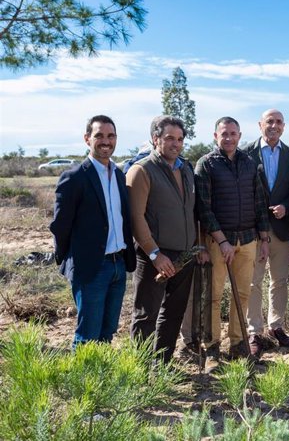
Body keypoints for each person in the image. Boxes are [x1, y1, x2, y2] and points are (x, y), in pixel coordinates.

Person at [50, 115, 136, 348]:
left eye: (110, 136)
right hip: (91, 269)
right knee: (87, 336)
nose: (105, 141)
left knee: (107, 333)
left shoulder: (118, 175)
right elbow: (60, 225)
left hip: (118, 265)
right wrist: (70, 261)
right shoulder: (75, 177)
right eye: (99, 135)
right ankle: (82, 383)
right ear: (87, 139)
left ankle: (102, 382)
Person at [190, 116, 270, 362]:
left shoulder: (250, 163)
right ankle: (212, 347)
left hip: (247, 239)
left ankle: (238, 345)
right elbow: (204, 208)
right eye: (224, 134)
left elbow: (260, 203)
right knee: (212, 296)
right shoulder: (205, 164)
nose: (229, 138)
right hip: (217, 242)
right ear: (216, 136)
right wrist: (222, 241)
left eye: (233, 133)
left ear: (239, 135)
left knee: (242, 295)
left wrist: (264, 238)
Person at [127, 115, 199, 363]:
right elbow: (136, 217)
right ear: (155, 139)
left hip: (184, 255)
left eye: (180, 139)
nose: (175, 144)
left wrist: (195, 247)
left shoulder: (186, 169)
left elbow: (192, 210)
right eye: (169, 138)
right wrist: (155, 254)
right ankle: (140, 369)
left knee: (173, 313)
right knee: (146, 315)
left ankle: (163, 365)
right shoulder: (142, 171)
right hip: (154, 258)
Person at [243, 109, 289, 353]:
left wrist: (286, 206)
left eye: (278, 122)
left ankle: (276, 326)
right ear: (260, 125)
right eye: (269, 122)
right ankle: (254, 331)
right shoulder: (246, 153)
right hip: (254, 229)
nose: (274, 126)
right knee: (253, 282)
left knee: (279, 280)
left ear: (284, 127)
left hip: (281, 228)